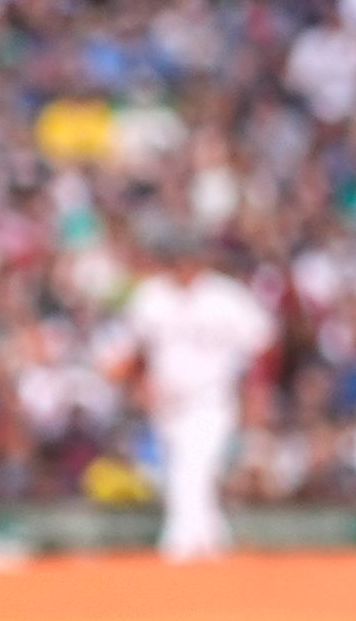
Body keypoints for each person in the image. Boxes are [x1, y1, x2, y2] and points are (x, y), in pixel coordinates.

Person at [115, 230, 274, 563]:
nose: (179, 265)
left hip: (211, 399)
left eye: (185, 257)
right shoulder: (152, 295)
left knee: (193, 472)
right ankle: (214, 547)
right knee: (179, 476)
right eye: (172, 259)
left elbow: (264, 346)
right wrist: (138, 386)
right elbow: (134, 351)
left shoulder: (226, 297)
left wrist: (256, 397)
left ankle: (178, 550)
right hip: (167, 404)